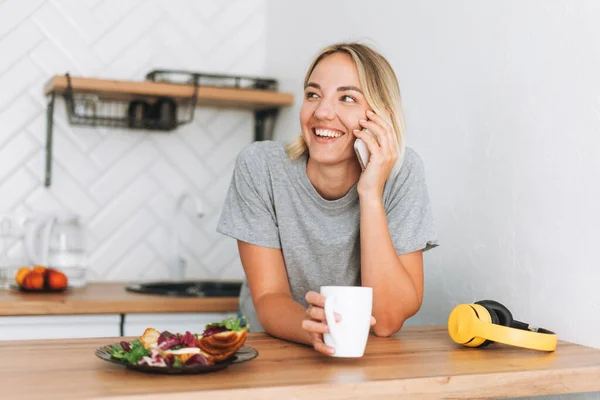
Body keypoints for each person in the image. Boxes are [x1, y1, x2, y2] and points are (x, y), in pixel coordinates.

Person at [217, 42, 439, 356]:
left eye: (347, 98)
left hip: (357, 355)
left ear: (381, 118)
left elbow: (387, 321)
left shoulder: (403, 172)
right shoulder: (260, 166)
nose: (321, 111)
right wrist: (315, 328)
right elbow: (268, 297)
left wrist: (370, 194)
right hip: (272, 348)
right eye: (313, 94)